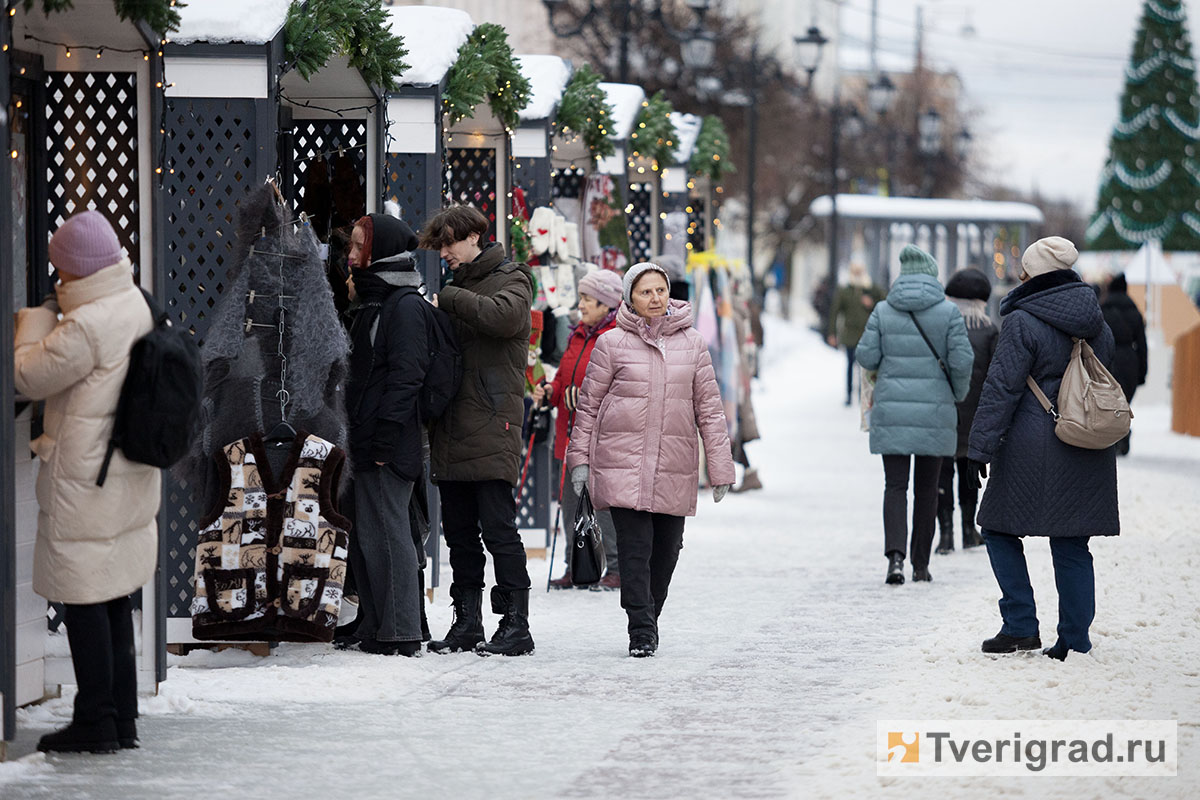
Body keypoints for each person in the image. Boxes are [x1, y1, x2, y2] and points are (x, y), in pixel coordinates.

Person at [13, 211, 160, 753]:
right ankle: (121, 720)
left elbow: (28, 373)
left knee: (83, 601)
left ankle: (95, 720)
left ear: (73, 271)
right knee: (114, 594)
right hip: (127, 474)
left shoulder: (87, 323)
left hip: (86, 480)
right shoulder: (134, 302)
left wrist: (33, 318)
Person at [566, 262, 735, 657]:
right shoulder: (611, 343)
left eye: (661, 290)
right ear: (629, 298)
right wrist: (579, 461)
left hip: (674, 464)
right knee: (635, 551)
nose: (656, 298)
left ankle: (649, 615)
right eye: (646, 292)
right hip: (621, 462)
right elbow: (588, 407)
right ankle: (640, 628)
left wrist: (721, 466)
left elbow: (709, 409)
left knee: (667, 551)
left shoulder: (693, 344)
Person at [967, 237, 1118, 661]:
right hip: (1086, 441)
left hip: (1031, 444)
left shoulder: (1021, 321)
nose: (1020, 276)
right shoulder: (1096, 321)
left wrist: (979, 447)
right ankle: (1075, 638)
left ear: (1035, 275)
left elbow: (1002, 388)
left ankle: (1019, 624)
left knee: (997, 528)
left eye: (1026, 270)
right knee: (1071, 542)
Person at [420, 206, 537, 657]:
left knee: (498, 529)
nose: (444, 252)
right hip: (452, 426)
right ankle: (467, 622)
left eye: (450, 243)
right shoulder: (460, 285)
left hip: (491, 422)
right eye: (441, 245)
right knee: (460, 534)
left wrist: (447, 299)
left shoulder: (513, 277)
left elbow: (503, 318)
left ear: (474, 237)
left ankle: (516, 624)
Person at [855, 245, 974, 585]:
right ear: (932, 276)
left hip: (891, 409)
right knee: (927, 489)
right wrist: (957, 393)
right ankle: (921, 564)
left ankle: (895, 558)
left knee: (894, 486)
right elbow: (963, 361)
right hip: (935, 413)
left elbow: (866, 355)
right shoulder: (949, 314)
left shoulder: (882, 311)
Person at [341, 214, 431, 656]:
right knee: (368, 536)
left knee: (390, 535)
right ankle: (377, 626)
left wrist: (384, 440)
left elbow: (406, 379)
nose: (350, 255)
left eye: (359, 246)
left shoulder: (403, 306)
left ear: (378, 252)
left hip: (388, 443)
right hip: (365, 437)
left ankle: (401, 631)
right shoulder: (373, 304)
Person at [536, 268, 624, 590]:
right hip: (570, 433)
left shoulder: (615, 338)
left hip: (602, 436)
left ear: (606, 304)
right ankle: (576, 567)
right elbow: (563, 377)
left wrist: (586, 398)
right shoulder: (577, 334)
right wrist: (551, 391)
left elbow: (620, 387)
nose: (581, 304)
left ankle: (616, 568)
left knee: (602, 504)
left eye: (588, 299)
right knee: (571, 503)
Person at [936, 268, 998, 553]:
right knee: (969, 473)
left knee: (942, 472)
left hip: (944, 412)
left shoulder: (941, 327)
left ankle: (945, 535)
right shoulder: (989, 330)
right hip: (976, 416)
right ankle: (967, 529)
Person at [1099, 273, 1147, 456]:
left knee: (1109, 402)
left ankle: (1113, 439)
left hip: (1108, 358)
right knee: (1125, 402)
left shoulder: (1103, 309)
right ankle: (1124, 435)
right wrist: (1142, 372)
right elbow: (1142, 345)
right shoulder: (1134, 312)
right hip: (1129, 361)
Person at [828, 262, 886, 405]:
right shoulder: (846, 291)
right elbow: (835, 312)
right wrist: (832, 333)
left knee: (864, 367)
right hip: (850, 334)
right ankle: (848, 394)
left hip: (866, 335)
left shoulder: (871, 289)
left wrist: (871, 303)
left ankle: (862, 394)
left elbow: (884, 303)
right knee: (849, 365)